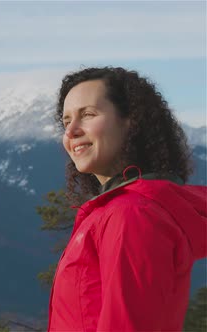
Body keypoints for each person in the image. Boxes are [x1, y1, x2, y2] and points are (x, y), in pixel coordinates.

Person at [48, 66, 207, 331]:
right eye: (66, 122)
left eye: (87, 115)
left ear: (131, 121)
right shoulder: (120, 210)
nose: (71, 131)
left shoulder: (131, 215)